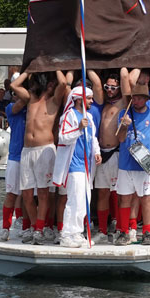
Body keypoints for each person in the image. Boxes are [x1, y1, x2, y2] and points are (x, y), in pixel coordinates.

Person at [11, 71, 69, 245]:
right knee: (27, 194)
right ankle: (36, 226)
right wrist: (28, 71)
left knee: (43, 193)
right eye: (48, 82)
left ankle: (39, 230)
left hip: (45, 149)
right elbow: (14, 85)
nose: (51, 84)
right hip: (27, 150)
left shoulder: (54, 101)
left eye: (52, 82)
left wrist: (56, 67)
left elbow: (63, 84)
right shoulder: (30, 99)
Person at [114, 83, 150, 246]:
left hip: (143, 163)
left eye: (139, 98)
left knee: (146, 198)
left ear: (146, 99)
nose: (135, 101)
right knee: (125, 198)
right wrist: (124, 125)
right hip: (125, 163)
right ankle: (124, 232)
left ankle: (147, 232)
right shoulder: (124, 113)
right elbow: (120, 138)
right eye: (134, 98)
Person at [53, 86, 101, 248]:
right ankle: (67, 235)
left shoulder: (89, 117)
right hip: (74, 165)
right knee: (74, 200)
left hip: (87, 166)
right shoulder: (69, 115)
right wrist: (79, 128)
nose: (92, 101)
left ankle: (77, 233)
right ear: (79, 100)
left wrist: (97, 152)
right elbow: (63, 137)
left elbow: (93, 138)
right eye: (89, 98)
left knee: (84, 200)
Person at [91, 68, 130, 243]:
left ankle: (119, 226)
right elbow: (97, 85)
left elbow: (125, 78)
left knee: (119, 192)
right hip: (101, 153)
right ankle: (102, 229)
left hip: (115, 152)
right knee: (102, 192)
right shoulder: (102, 103)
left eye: (113, 88)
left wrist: (122, 67)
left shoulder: (123, 102)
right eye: (107, 87)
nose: (109, 90)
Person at [0, 84, 28, 242]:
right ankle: (5, 228)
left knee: (28, 195)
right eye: (15, 93)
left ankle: (25, 224)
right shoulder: (10, 107)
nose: (17, 96)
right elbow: (24, 100)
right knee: (12, 194)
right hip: (15, 157)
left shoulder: (31, 107)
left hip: (30, 155)